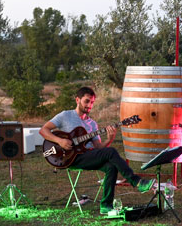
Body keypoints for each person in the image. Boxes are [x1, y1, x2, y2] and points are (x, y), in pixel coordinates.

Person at [39, 86, 154, 214]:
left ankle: (106, 205)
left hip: (88, 156)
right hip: (70, 158)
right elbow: (43, 130)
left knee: (111, 165)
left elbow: (98, 147)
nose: (89, 105)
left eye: (92, 102)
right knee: (111, 152)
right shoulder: (65, 115)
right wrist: (60, 141)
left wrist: (109, 139)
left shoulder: (92, 124)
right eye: (87, 101)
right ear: (77, 100)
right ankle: (136, 181)